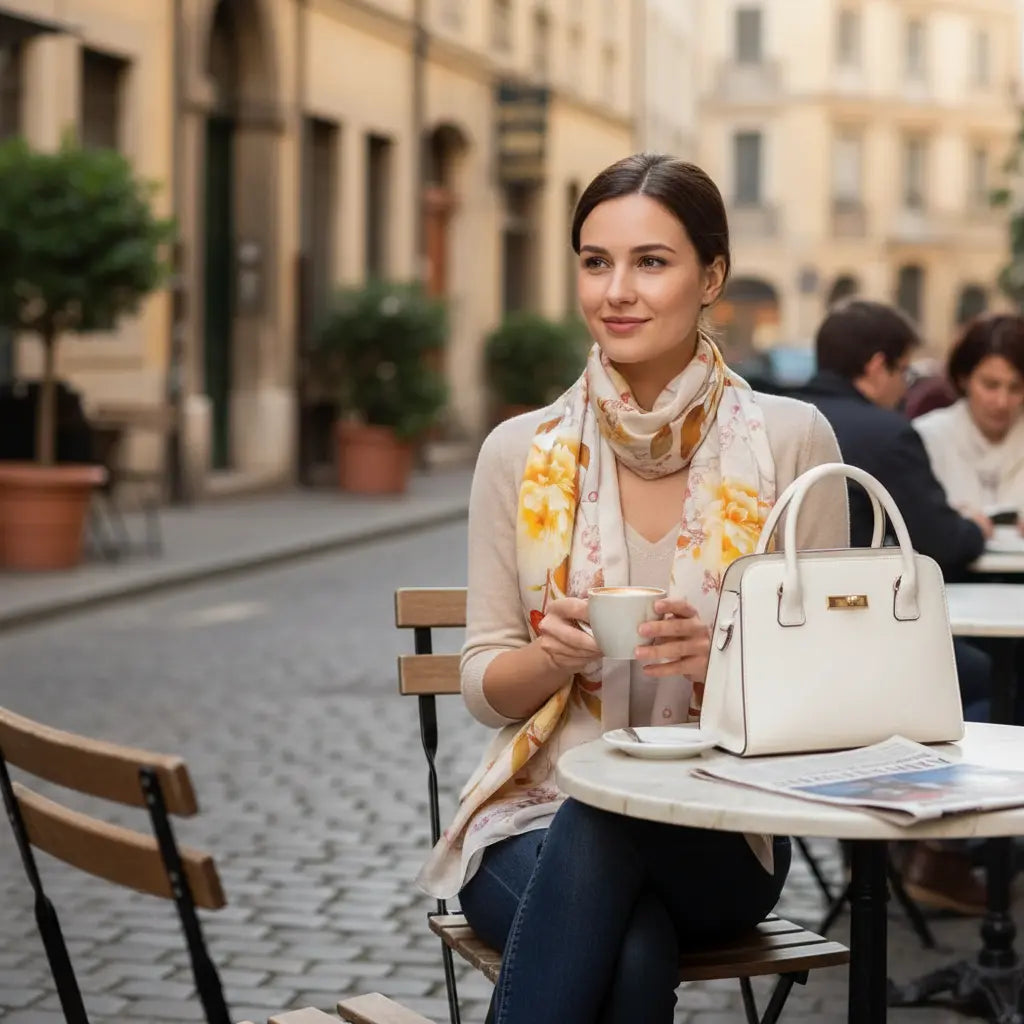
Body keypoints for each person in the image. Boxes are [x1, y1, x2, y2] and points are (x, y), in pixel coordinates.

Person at [415, 153, 848, 1024]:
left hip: (724, 832)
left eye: (651, 262)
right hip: (532, 823)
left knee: (606, 810)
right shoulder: (519, 453)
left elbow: (832, 683)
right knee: (632, 935)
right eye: (594, 261)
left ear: (711, 276)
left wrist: (720, 666)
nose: (617, 290)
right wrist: (547, 657)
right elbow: (483, 682)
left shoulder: (792, 441)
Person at [794, 298, 991, 915]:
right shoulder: (884, 432)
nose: (906, 389)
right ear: (877, 366)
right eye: (904, 373)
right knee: (991, 678)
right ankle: (938, 851)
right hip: (857, 662)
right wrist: (976, 526)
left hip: (780, 659)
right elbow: (941, 542)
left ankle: (892, 851)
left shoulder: (779, 418)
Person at [914, 315, 1024, 523]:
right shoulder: (927, 437)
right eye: (990, 385)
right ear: (964, 379)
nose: (1002, 402)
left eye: (1015, 388)